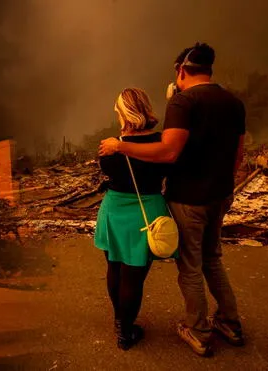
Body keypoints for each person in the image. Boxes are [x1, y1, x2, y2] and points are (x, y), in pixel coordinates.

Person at [98, 42, 245, 357]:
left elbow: (169, 152)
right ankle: (230, 323)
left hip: (189, 198)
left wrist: (120, 145)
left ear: (181, 70)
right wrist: (225, 186)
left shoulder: (184, 102)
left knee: (190, 267)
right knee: (213, 259)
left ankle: (198, 331)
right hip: (220, 194)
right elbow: (238, 153)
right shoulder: (234, 102)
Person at [95, 88, 173, 350]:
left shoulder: (110, 146)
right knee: (133, 277)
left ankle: (121, 324)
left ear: (123, 113)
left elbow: (107, 171)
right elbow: (168, 167)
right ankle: (125, 331)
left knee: (114, 268)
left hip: (114, 210)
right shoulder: (161, 143)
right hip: (146, 211)